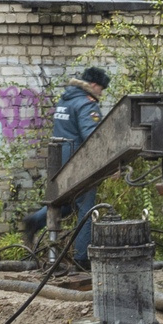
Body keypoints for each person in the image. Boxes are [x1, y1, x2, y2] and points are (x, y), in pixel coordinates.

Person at [22, 66, 112, 267]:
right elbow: (92, 136)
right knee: (86, 209)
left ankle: (35, 220)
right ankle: (82, 259)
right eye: (101, 89)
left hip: (59, 161)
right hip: (79, 164)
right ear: (94, 85)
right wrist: (107, 162)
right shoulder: (86, 105)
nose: (101, 93)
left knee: (64, 205)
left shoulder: (66, 100)